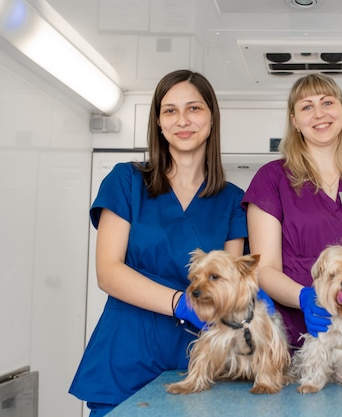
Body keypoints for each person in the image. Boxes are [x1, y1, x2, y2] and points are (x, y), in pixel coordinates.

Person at [69, 69, 248, 416]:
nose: (183, 120)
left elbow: (230, 286)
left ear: (212, 118)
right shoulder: (127, 181)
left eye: (194, 108)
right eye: (170, 110)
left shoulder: (232, 202)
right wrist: (181, 302)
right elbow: (108, 272)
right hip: (127, 353)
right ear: (159, 123)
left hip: (200, 360)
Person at [243, 73, 342, 349]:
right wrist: (306, 297)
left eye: (327, 102)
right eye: (306, 106)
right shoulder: (271, 179)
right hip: (294, 327)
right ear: (294, 121)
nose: (319, 114)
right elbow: (264, 268)